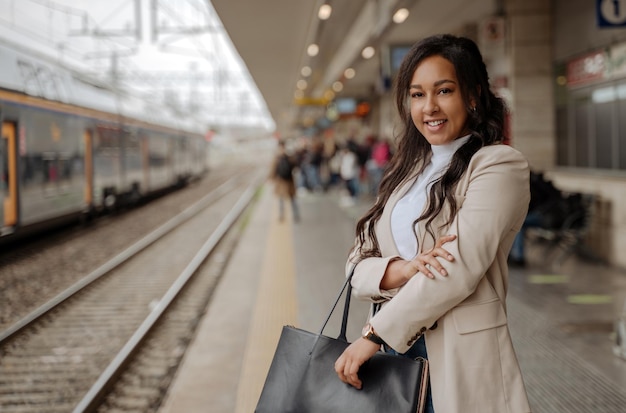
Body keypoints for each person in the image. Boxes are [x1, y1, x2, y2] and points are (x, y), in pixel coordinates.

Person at [334, 34, 531, 413]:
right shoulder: (404, 172)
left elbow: (458, 265)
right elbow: (355, 262)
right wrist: (402, 269)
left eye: (443, 91)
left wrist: (374, 335)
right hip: (391, 352)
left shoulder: (497, 165)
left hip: (454, 355)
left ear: (472, 96)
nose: (429, 107)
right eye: (417, 94)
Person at [271, 141, 300, 222]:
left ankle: (296, 215)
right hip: (282, 181)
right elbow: (273, 169)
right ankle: (282, 216)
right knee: (281, 200)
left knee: (292, 199)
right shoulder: (278, 157)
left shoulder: (289, 156)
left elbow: (295, 164)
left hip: (289, 181)